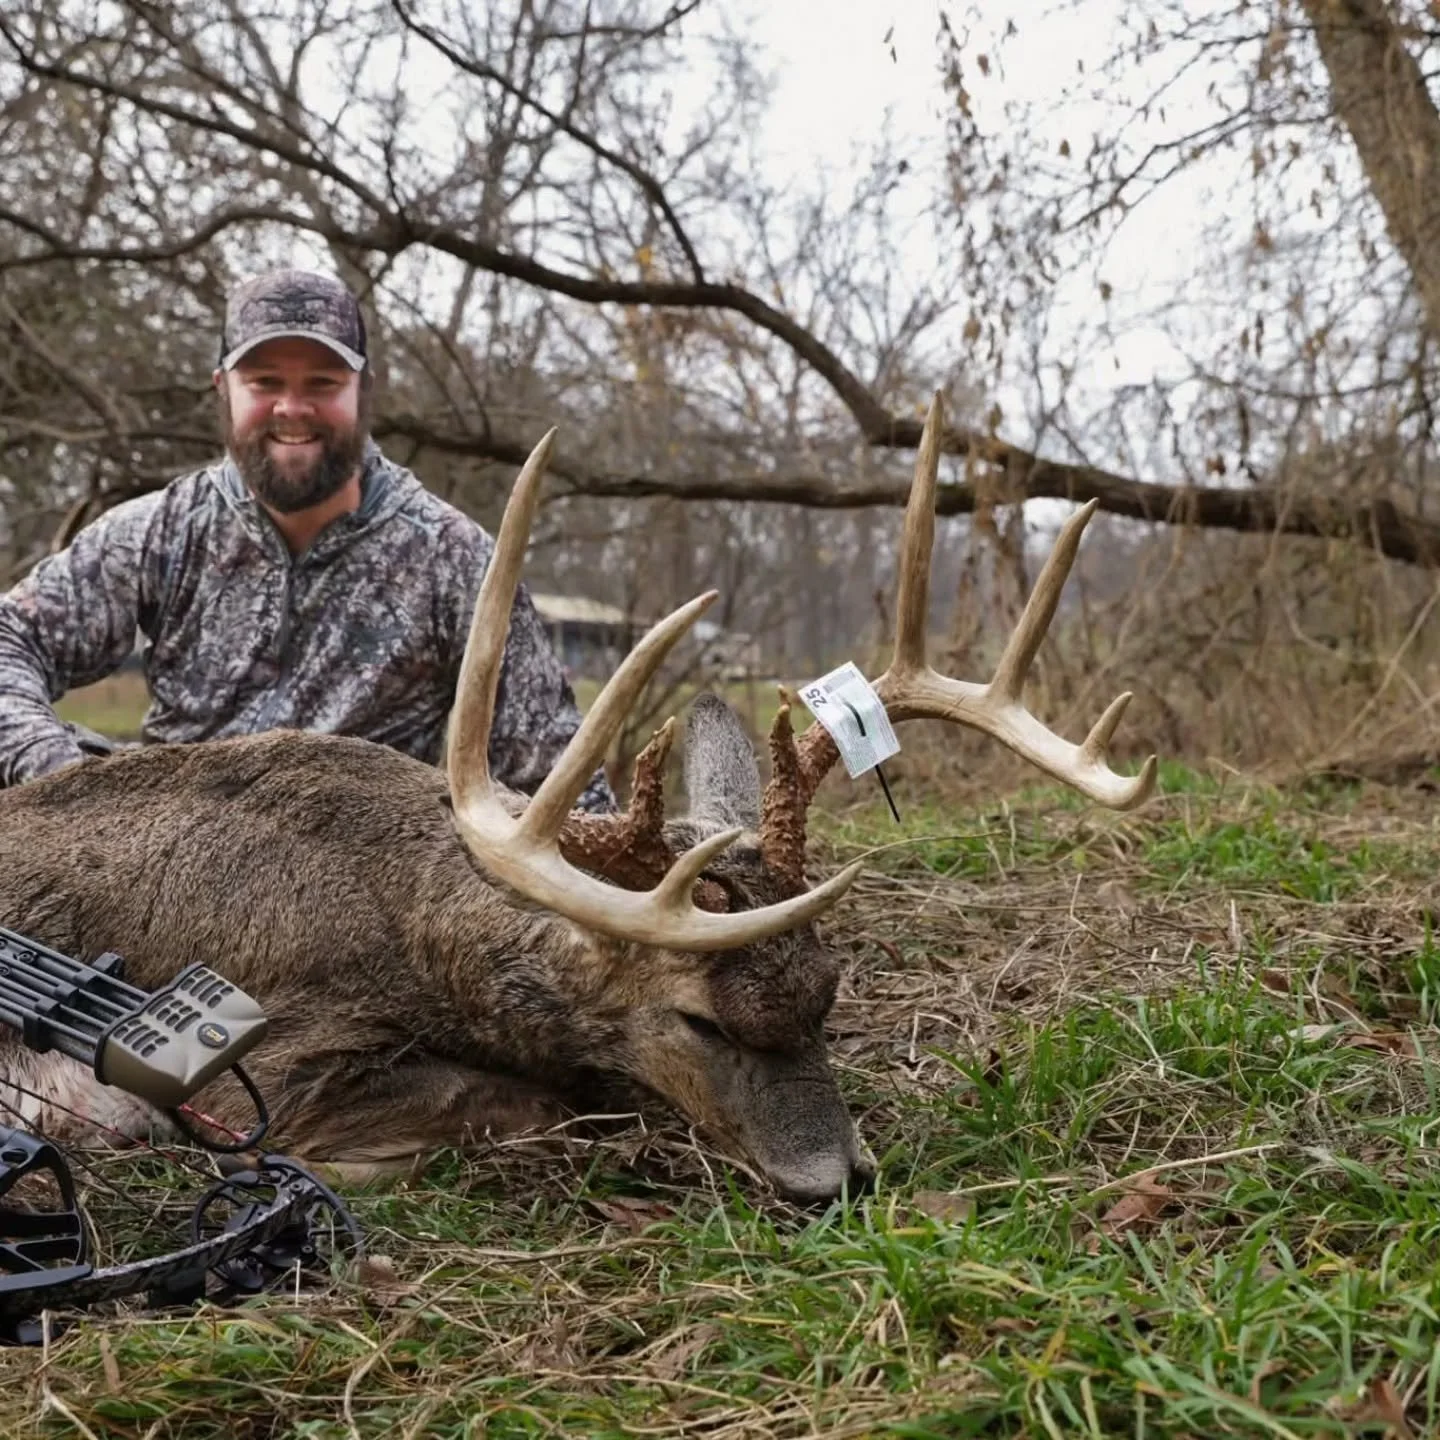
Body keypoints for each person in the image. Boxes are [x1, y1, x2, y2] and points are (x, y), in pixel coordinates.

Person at [0, 268, 614, 809]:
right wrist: (60, 772)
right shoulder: (163, 532)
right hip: (163, 892)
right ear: (224, 390)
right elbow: (11, 641)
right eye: (265, 382)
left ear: (363, 392)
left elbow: (559, 779)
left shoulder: (453, 560)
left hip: (363, 907)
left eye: (322, 383)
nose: (292, 409)